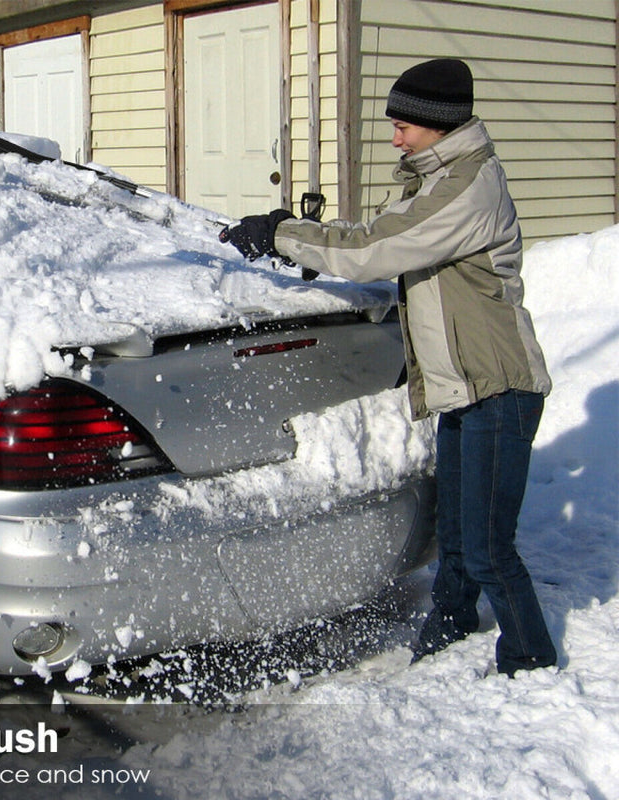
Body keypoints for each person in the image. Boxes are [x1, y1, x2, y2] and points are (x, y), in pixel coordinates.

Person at [221, 58, 557, 677]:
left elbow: (376, 248)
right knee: (455, 535)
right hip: (465, 387)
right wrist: (307, 238)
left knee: (486, 546)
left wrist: (283, 235)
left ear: (439, 124)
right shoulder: (437, 179)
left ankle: (530, 655)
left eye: (403, 125)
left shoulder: (468, 187)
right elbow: (378, 233)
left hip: (500, 386)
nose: (394, 137)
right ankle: (450, 628)